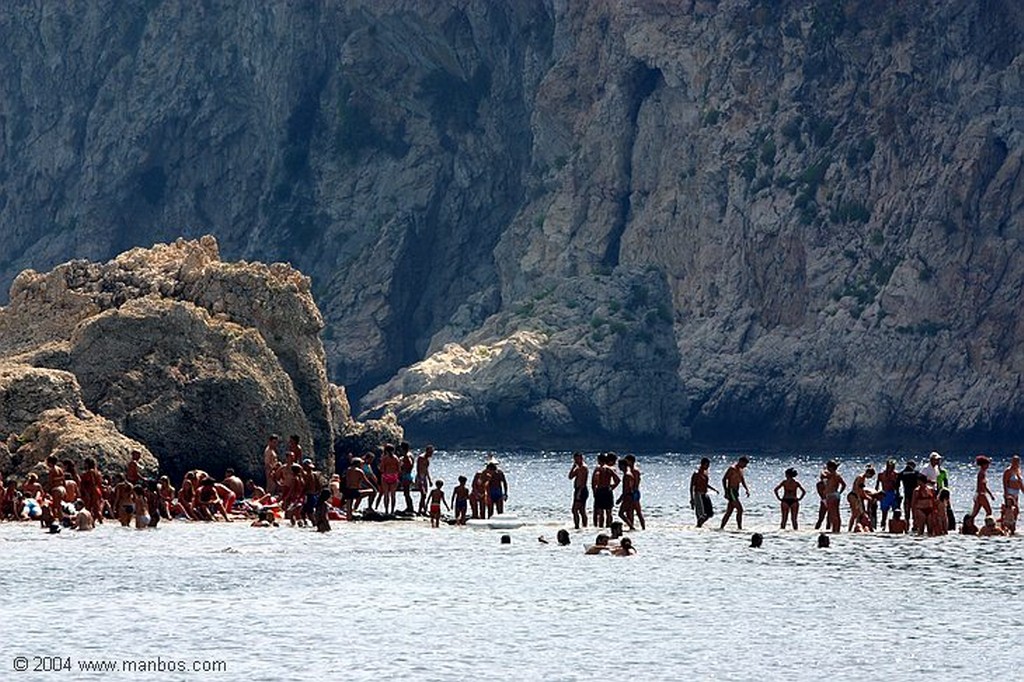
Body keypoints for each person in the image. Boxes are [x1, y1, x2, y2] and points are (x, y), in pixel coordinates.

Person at [719, 456, 751, 530]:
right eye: (744, 464)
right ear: (740, 462)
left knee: (729, 511)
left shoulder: (740, 470)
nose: (745, 466)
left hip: (736, 492)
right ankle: (739, 528)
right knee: (740, 509)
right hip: (731, 491)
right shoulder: (732, 469)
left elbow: (742, 480)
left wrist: (747, 489)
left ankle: (721, 527)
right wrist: (726, 491)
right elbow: (724, 479)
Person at [591, 453, 621, 528]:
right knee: (609, 512)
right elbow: (617, 480)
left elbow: (596, 478)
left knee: (601, 512)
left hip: (600, 490)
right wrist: (612, 487)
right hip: (608, 490)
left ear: (599, 460)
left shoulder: (599, 468)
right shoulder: (609, 469)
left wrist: (595, 490)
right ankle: (608, 527)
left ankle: (600, 527)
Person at [343, 458, 375, 522]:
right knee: (372, 492)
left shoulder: (348, 470)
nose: (362, 465)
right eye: (361, 463)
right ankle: (369, 507)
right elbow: (366, 481)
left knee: (349, 510)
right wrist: (374, 488)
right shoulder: (359, 471)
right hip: (355, 491)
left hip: (347, 491)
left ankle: (349, 519)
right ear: (357, 464)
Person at [689, 457, 718, 527]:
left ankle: (699, 525)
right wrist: (692, 499)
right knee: (701, 514)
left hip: (704, 494)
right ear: (702, 464)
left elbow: (705, 484)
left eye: (708, 465)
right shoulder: (696, 474)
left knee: (710, 513)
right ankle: (698, 527)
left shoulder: (705, 473)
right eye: (707, 465)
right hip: (698, 494)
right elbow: (691, 487)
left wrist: (713, 489)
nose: (708, 467)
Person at [821, 460, 846, 533]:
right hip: (835, 494)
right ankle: (836, 529)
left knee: (833, 514)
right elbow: (843, 485)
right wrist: (839, 492)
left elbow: (823, 475)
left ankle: (835, 530)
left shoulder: (832, 475)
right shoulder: (836, 475)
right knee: (836, 513)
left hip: (831, 495)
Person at [876, 460, 900, 528]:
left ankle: (893, 527)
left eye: (893, 467)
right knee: (884, 513)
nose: (892, 468)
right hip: (885, 494)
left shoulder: (895, 474)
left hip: (892, 494)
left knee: (895, 512)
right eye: (891, 466)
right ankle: (882, 527)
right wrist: (876, 495)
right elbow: (877, 486)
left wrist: (898, 495)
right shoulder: (881, 474)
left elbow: (897, 486)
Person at [971, 455, 995, 521]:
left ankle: (968, 524)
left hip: (978, 494)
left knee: (974, 513)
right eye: (987, 464)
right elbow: (983, 486)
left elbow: (983, 485)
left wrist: (990, 495)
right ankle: (988, 526)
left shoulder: (981, 473)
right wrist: (990, 495)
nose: (988, 466)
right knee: (989, 511)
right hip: (981, 494)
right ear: (983, 464)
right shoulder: (982, 473)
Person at [379, 443, 401, 515]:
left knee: (386, 495)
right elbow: (399, 469)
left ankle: (386, 511)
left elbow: (382, 469)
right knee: (393, 495)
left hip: (386, 476)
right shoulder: (396, 458)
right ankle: (392, 511)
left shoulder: (384, 458)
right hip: (394, 476)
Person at [569, 452, 589, 529]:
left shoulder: (583, 468)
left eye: (577, 459)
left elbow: (583, 482)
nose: (576, 461)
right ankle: (583, 526)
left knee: (575, 510)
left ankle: (578, 526)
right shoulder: (578, 468)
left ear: (581, 458)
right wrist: (573, 467)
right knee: (581, 510)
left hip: (582, 490)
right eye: (575, 459)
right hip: (577, 489)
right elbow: (570, 477)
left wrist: (579, 492)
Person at [415, 445, 434, 515]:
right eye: (430, 452)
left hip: (424, 477)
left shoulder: (427, 459)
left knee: (424, 495)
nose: (431, 454)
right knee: (423, 494)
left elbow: (426, 470)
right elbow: (418, 469)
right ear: (427, 451)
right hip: (420, 477)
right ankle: (421, 510)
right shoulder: (421, 458)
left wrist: (429, 480)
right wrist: (420, 480)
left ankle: (423, 509)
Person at [398, 441, 415, 514]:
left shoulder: (407, 455)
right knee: (406, 493)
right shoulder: (410, 454)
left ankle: (410, 508)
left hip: (406, 475)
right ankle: (409, 507)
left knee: (406, 493)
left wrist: (403, 468)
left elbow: (410, 463)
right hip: (408, 475)